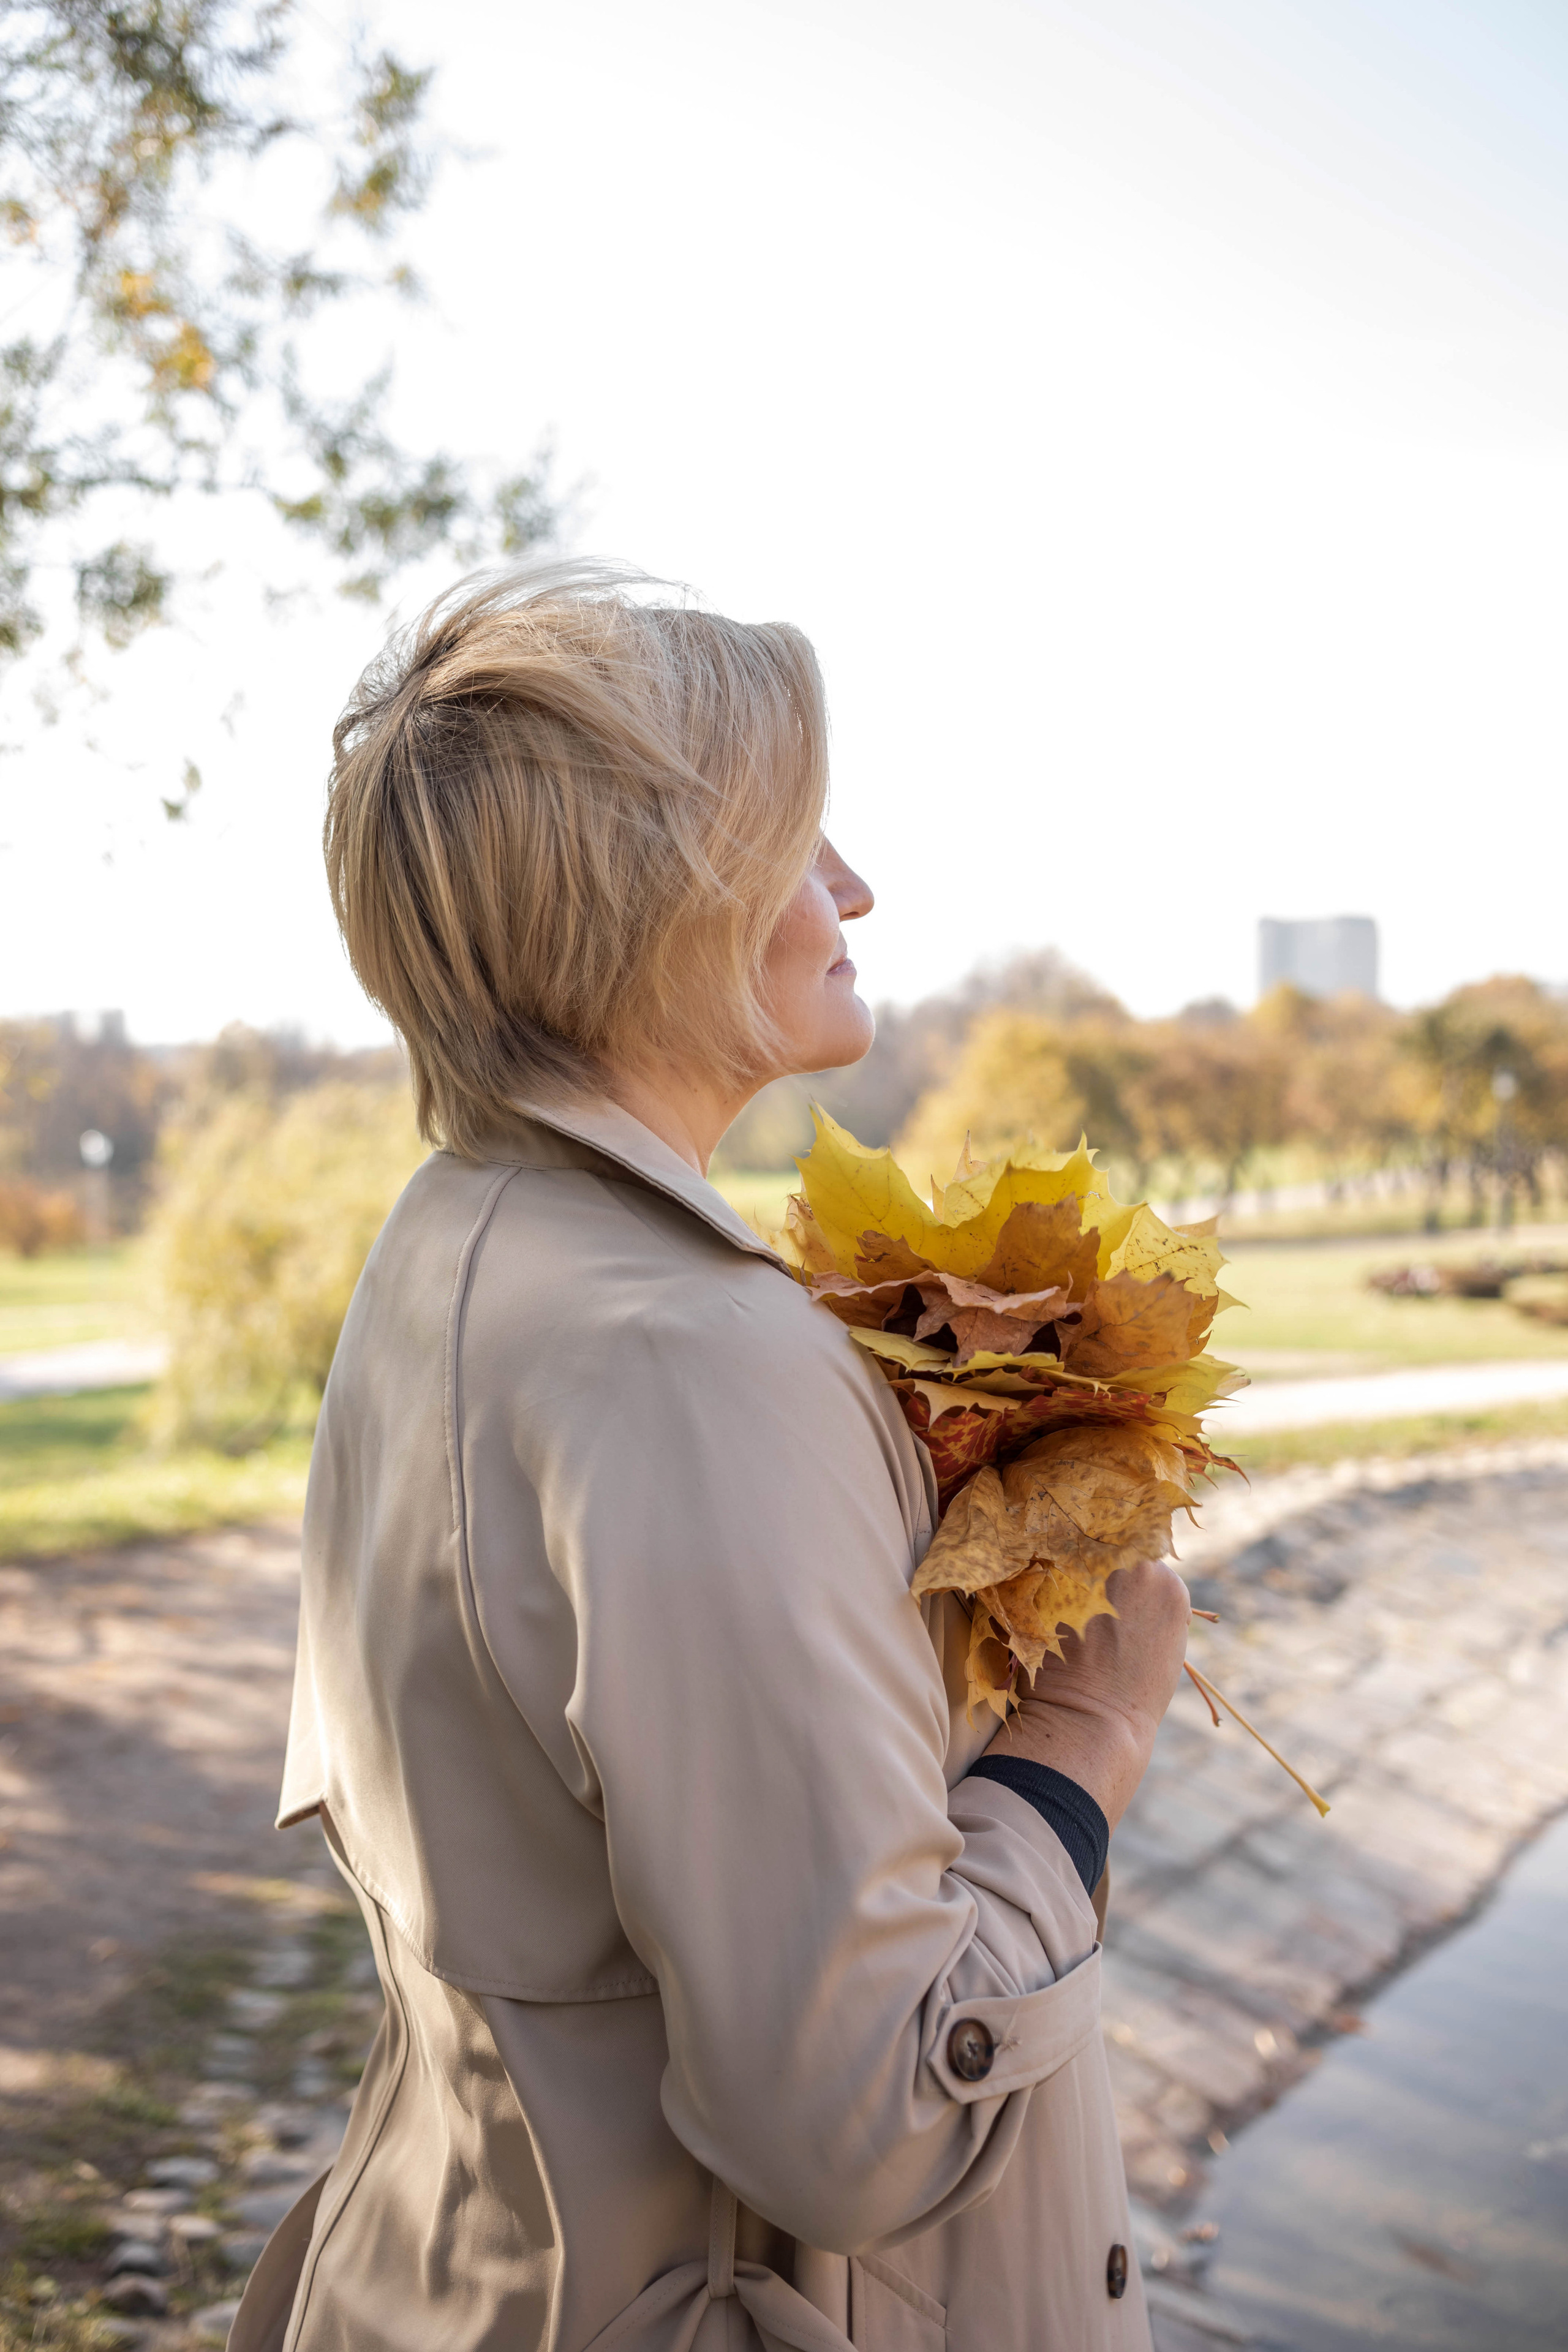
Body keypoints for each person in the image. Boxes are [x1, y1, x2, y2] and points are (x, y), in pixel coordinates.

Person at [232, 563, 1191, 2352]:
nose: (855, 887)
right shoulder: (692, 1353)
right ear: (655, 898)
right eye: (800, 834)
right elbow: (868, 2114)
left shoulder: (452, 1245)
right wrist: (1086, 1731)